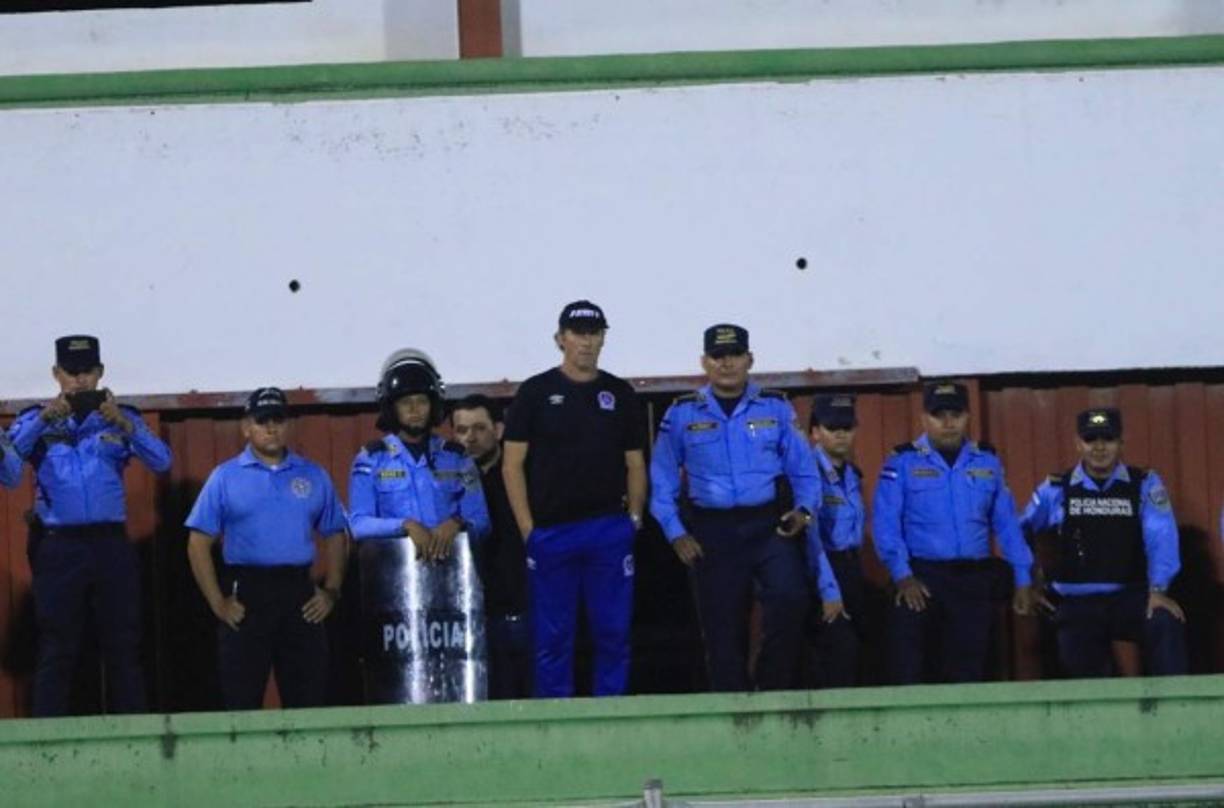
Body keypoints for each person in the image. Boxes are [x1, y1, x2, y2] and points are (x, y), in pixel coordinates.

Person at [7, 335, 172, 716]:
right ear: (56, 374)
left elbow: (163, 462)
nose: (79, 380)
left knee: (122, 644)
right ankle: (46, 743)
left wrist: (128, 428)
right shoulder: (34, 420)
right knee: (57, 644)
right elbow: (9, 473)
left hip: (109, 543)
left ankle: (136, 737)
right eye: (71, 372)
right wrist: (43, 422)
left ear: (100, 373)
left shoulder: (122, 416)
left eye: (87, 372)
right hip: (58, 545)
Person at [650, 323, 817, 691]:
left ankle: (770, 691)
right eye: (718, 356)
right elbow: (660, 483)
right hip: (713, 531)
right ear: (704, 362)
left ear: (750, 359)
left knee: (791, 598)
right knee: (722, 626)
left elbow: (804, 471)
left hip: (769, 527)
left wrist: (803, 511)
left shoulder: (775, 406)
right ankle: (733, 712)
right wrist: (676, 533)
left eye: (735, 355)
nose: (727, 364)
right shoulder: (682, 413)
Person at [503, 300, 646, 698]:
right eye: (578, 333)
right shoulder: (535, 393)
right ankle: (555, 720)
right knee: (552, 638)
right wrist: (528, 529)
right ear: (560, 339)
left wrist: (632, 520)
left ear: (603, 338)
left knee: (613, 632)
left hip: (607, 530)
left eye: (594, 332)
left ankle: (610, 713)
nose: (586, 341)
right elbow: (511, 464)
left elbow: (635, 464)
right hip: (551, 533)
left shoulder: (619, 394)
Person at [185, 387, 348, 709]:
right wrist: (218, 603)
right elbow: (197, 543)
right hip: (247, 594)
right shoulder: (226, 477)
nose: (271, 428)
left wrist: (331, 591)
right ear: (246, 427)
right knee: (241, 703)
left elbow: (336, 533)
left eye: (278, 420)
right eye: (262, 421)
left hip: (299, 593)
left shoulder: (313, 475)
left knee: (307, 702)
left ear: (288, 425)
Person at [872, 381, 1037, 684]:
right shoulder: (903, 462)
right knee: (913, 663)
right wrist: (902, 576)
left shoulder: (987, 463)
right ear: (924, 419)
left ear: (967, 417)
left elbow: (1007, 525)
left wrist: (1023, 578)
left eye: (955, 414)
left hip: (972, 577)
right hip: (922, 576)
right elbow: (886, 524)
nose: (948, 423)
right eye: (939, 415)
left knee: (971, 668)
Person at [1020, 407, 1186, 677]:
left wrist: (1159, 589)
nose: (1099, 447)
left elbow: (1162, 536)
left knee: (1165, 622)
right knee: (1084, 668)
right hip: (1076, 604)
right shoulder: (1057, 488)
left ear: (1121, 443)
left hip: (1130, 597)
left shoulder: (1143, 484)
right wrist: (1029, 579)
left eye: (1107, 439)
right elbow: (1020, 529)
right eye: (1091, 439)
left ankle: (1176, 712)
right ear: (1078, 444)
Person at [349, 349, 490, 552]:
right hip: (393, 573)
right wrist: (404, 526)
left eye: (422, 401)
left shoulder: (458, 458)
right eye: (406, 402)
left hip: (453, 571)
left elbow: (482, 520)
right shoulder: (371, 460)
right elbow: (358, 524)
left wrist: (458, 523)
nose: (415, 410)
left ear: (433, 405)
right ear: (392, 408)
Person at [451, 394, 531, 699]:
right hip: (472, 615)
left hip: (523, 608)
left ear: (498, 430)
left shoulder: (525, 478)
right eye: (461, 430)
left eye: (479, 428)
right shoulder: (448, 485)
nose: (469, 438)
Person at [805, 393, 867, 688]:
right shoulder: (808, 475)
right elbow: (810, 537)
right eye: (832, 427)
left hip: (851, 568)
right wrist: (827, 590)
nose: (841, 433)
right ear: (814, 432)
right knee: (836, 650)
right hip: (821, 570)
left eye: (847, 426)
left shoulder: (853, 475)